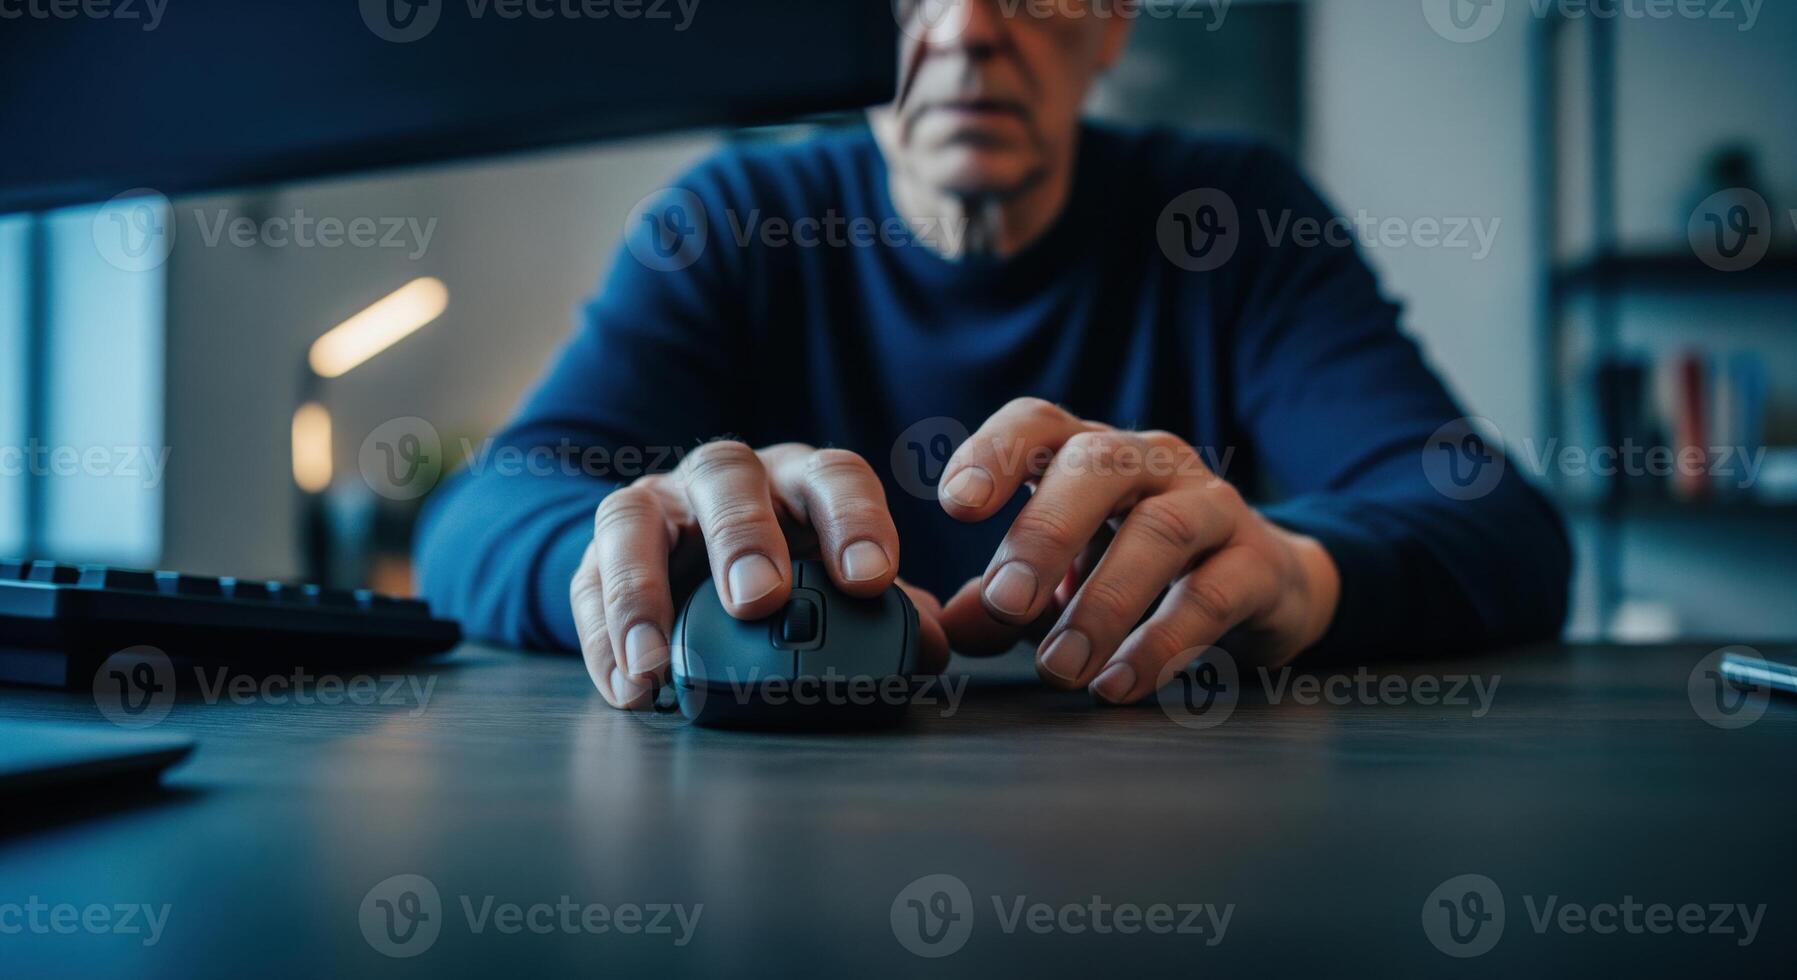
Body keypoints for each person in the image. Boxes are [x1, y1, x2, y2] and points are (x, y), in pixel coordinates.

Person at [415, 0, 1571, 708]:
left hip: (1157, 826)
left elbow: (1497, 524)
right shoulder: (730, 220)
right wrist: (637, 550)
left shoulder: (1232, 216)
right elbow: (478, 520)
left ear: (1114, 19)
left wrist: (1296, 573)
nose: (967, 27)